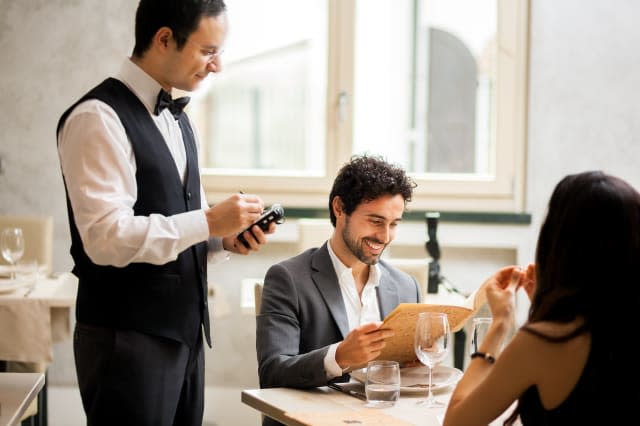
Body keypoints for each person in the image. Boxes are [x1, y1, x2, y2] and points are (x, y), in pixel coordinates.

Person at [56, 1, 276, 425]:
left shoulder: (178, 118)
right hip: (126, 340)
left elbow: (179, 218)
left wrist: (222, 238)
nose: (217, 67)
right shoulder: (96, 118)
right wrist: (210, 221)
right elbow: (105, 239)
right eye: (208, 51)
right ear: (163, 39)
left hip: (184, 337)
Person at [443, 170, 640, 425]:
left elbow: (457, 422)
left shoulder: (545, 342)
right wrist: (545, 307)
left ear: (559, 246)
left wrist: (500, 323)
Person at [256, 155, 420, 424]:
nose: (385, 236)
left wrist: (417, 367)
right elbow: (272, 372)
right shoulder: (287, 279)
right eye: (376, 221)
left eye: (394, 224)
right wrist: (339, 356)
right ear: (339, 208)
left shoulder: (406, 286)